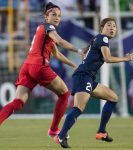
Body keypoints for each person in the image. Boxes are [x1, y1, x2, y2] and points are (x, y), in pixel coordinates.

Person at [0, 2, 82, 137]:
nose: (57, 17)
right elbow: (61, 41)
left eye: (59, 15)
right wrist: (78, 50)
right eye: (53, 14)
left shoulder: (43, 30)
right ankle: (54, 130)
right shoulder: (48, 27)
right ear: (46, 16)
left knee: (18, 102)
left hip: (27, 66)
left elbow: (57, 54)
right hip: (39, 66)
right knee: (64, 94)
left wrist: (72, 65)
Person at [54, 17, 133, 148]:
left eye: (114, 26)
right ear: (102, 28)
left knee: (113, 98)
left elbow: (86, 50)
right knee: (78, 108)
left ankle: (101, 132)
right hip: (83, 76)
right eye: (109, 25)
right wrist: (126, 58)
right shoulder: (103, 38)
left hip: (88, 77)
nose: (112, 28)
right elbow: (108, 59)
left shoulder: (97, 38)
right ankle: (61, 135)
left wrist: (85, 56)